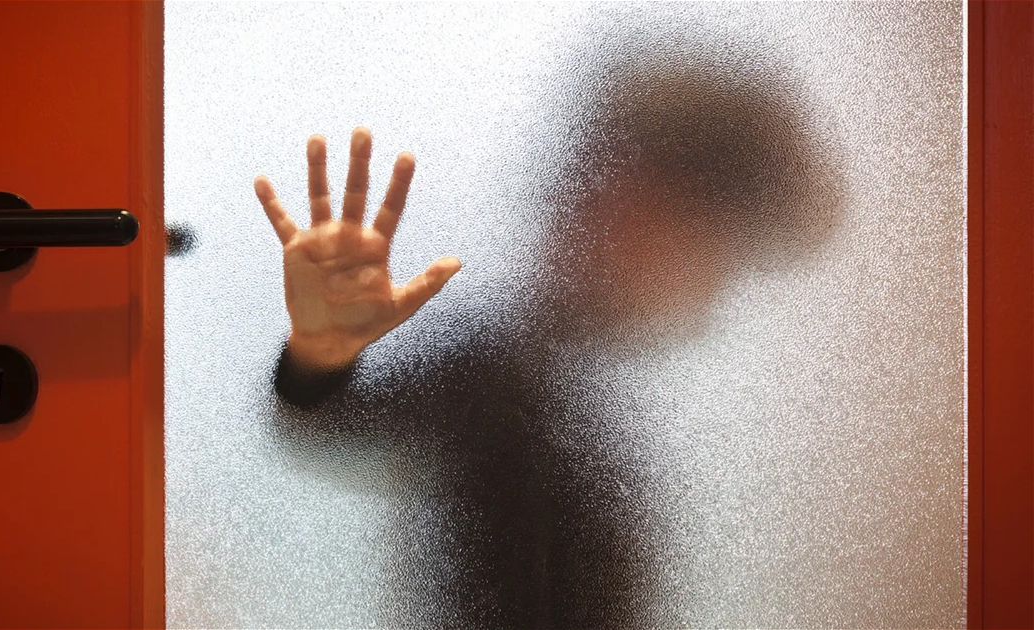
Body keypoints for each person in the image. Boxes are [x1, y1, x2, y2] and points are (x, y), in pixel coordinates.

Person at [255, 44, 842, 628]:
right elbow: (340, 419)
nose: (576, 203)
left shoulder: (606, 396)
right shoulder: (504, 372)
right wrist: (320, 354)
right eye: (590, 175)